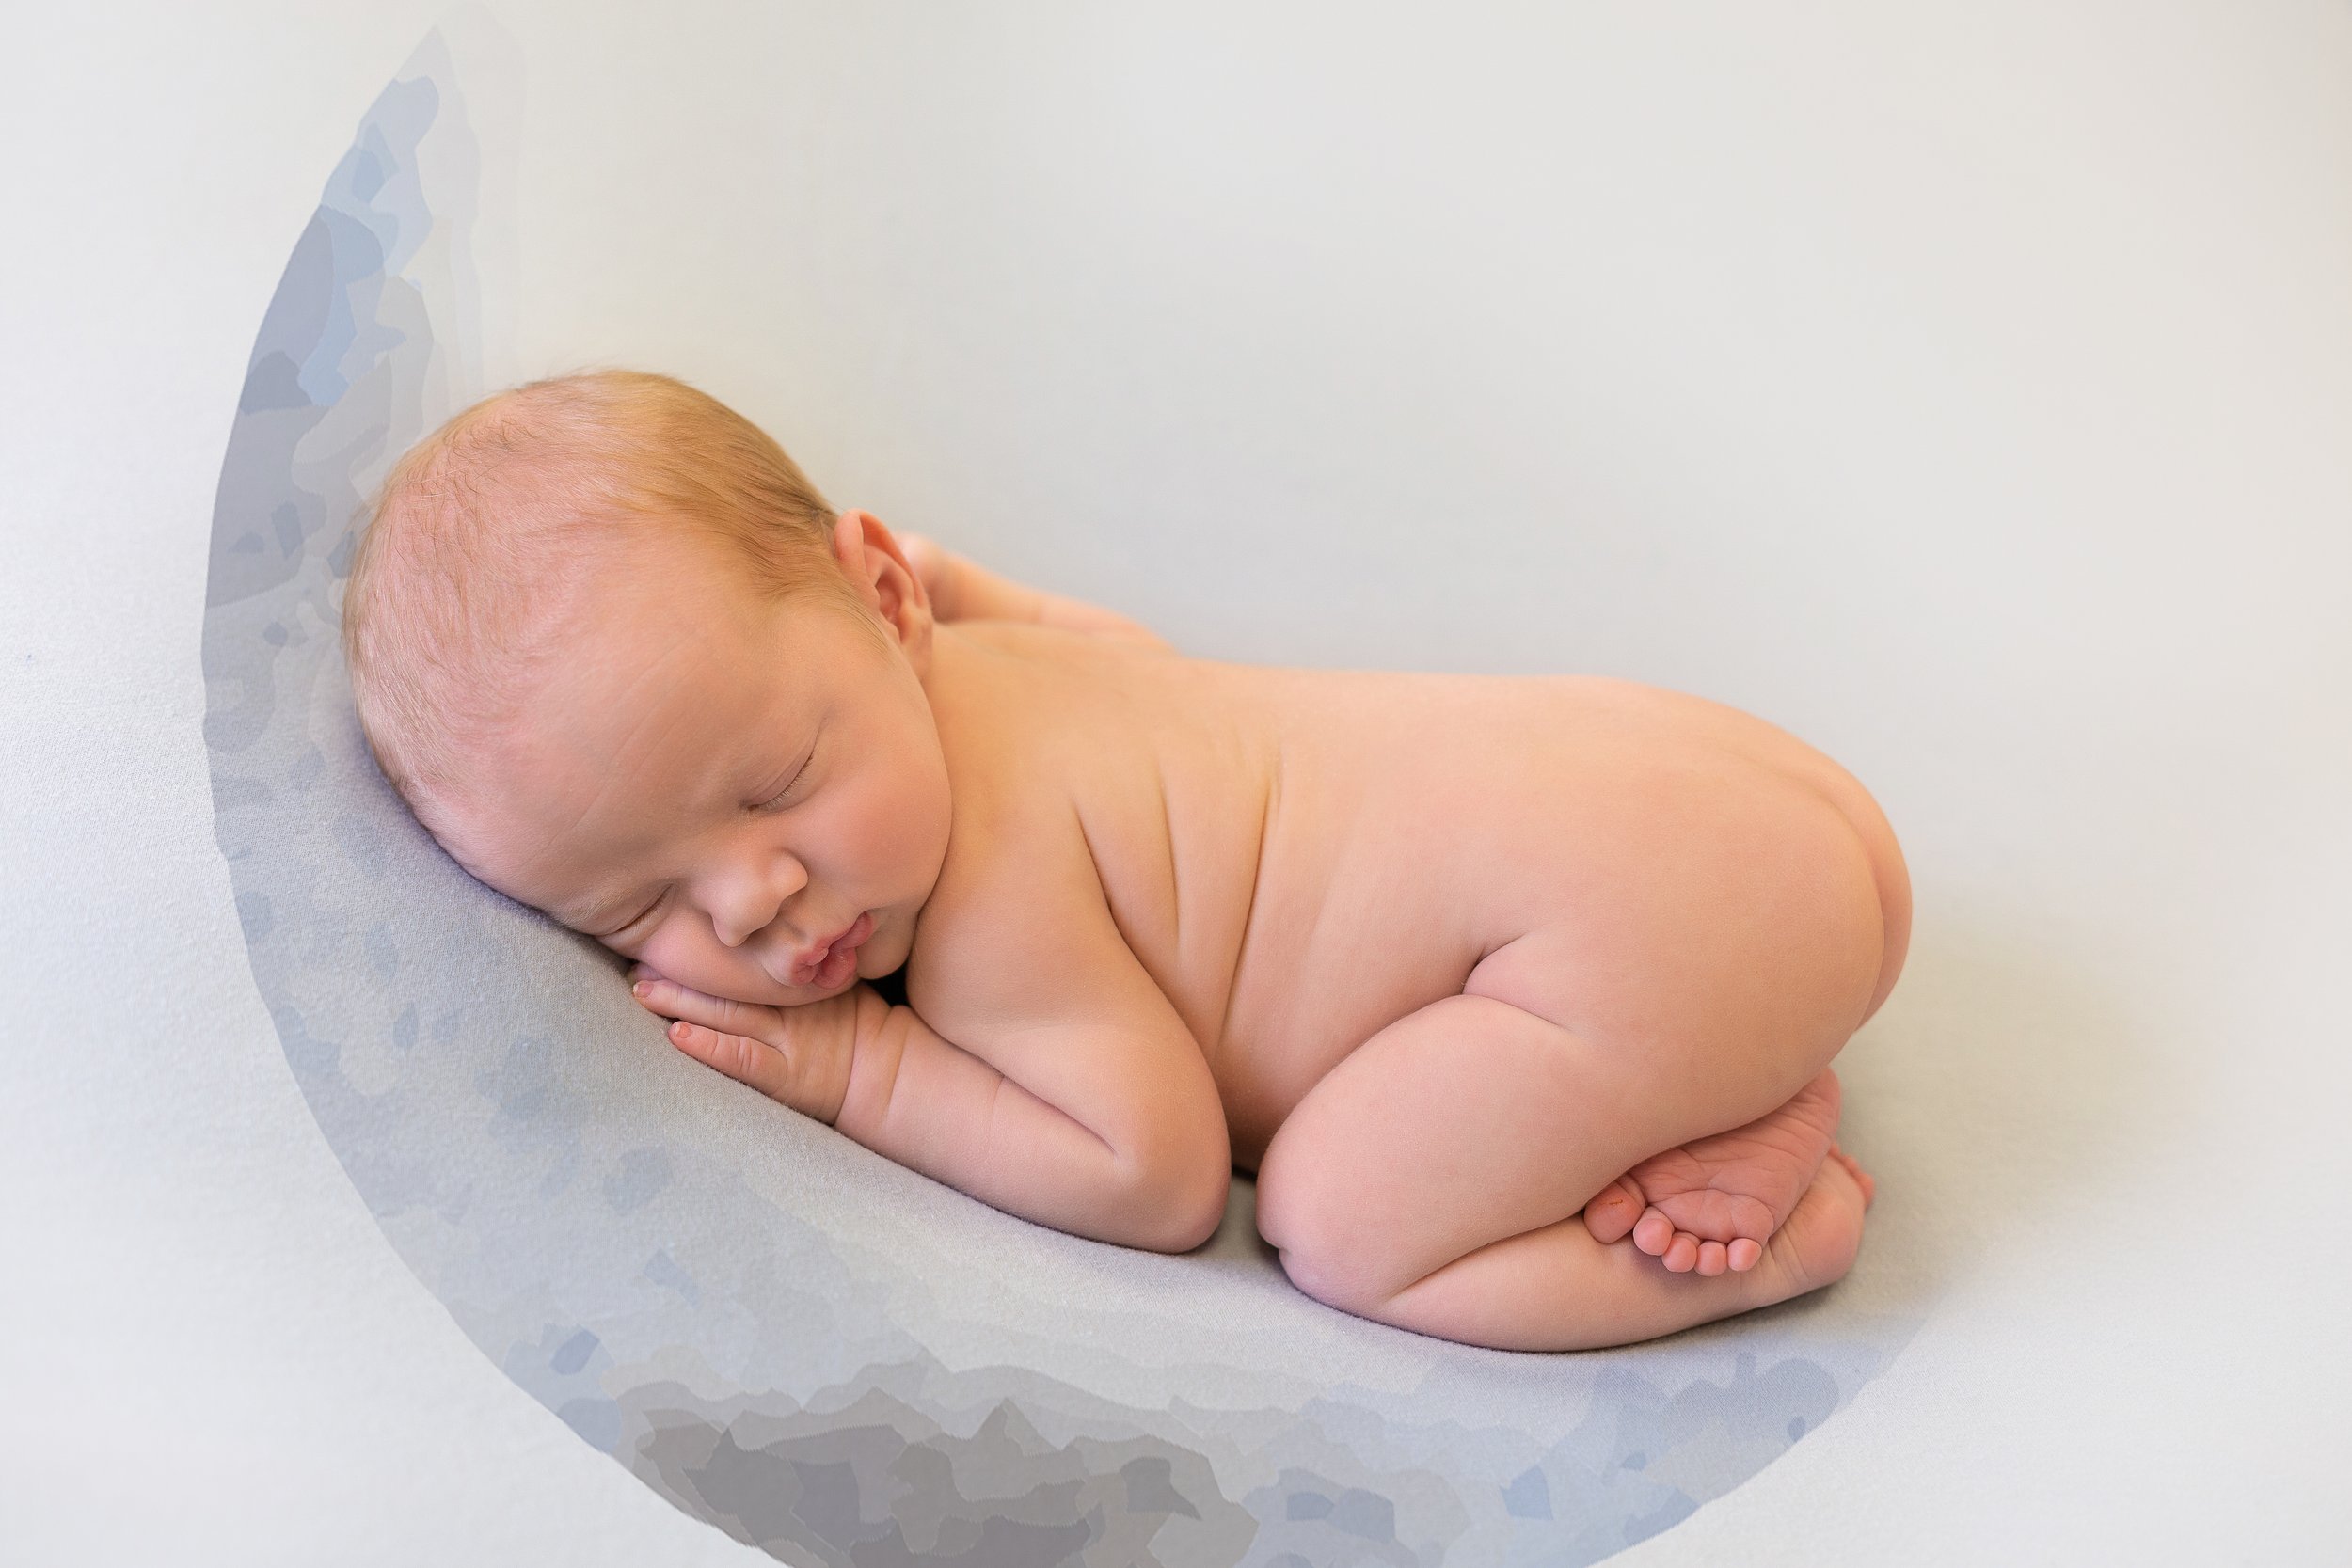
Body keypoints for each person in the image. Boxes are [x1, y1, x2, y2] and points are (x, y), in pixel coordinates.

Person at [340, 369, 1909, 1354]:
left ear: (883, 598)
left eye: (779, 783)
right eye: (638, 908)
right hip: (1720, 790)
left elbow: (1152, 1175)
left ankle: (1766, 1244)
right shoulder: (977, 660)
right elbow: (1133, 648)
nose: (757, 901)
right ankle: (1725, 1062)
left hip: (1627, 926)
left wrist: (861, 1078)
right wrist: (970, 589)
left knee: (1340, 1227)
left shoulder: (985, 909)